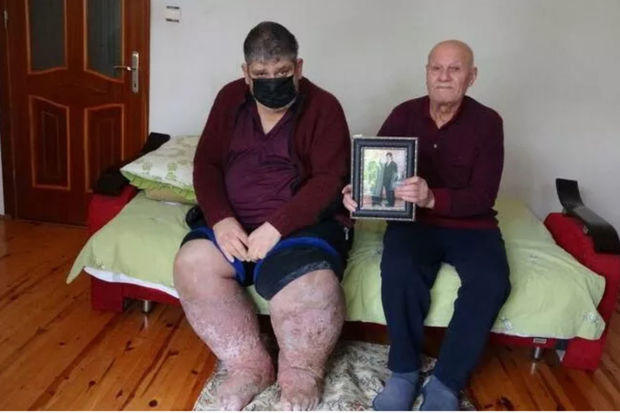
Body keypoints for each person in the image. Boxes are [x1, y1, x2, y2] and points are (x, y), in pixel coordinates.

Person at [174, 22, 351, 411]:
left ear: (299, 67)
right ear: (246, 73)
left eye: (282, 72)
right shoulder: (229, 99)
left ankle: (302, 372)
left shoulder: (324, 107)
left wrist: (277, 226)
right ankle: (249, 366)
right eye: (261, 74)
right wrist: (220, 219)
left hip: (300, 227)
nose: (273, 82)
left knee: (314, 286)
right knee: (191, 265)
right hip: (234, 225)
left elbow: (329, 180)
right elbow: (206, 164)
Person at [343, 40, 510, 411]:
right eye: (437, 68)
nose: (444, 76)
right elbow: (373, 165)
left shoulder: (488, 123)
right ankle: (403, 372)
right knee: (399, 268)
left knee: (491, 281)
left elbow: (484, 195)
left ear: (472, 76)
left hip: (471, 225)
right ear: (427, 73)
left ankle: (447, 382)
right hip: (414, 224)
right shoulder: (403, 114)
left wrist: (433, 197)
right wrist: (357, 189)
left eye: (455, 69)